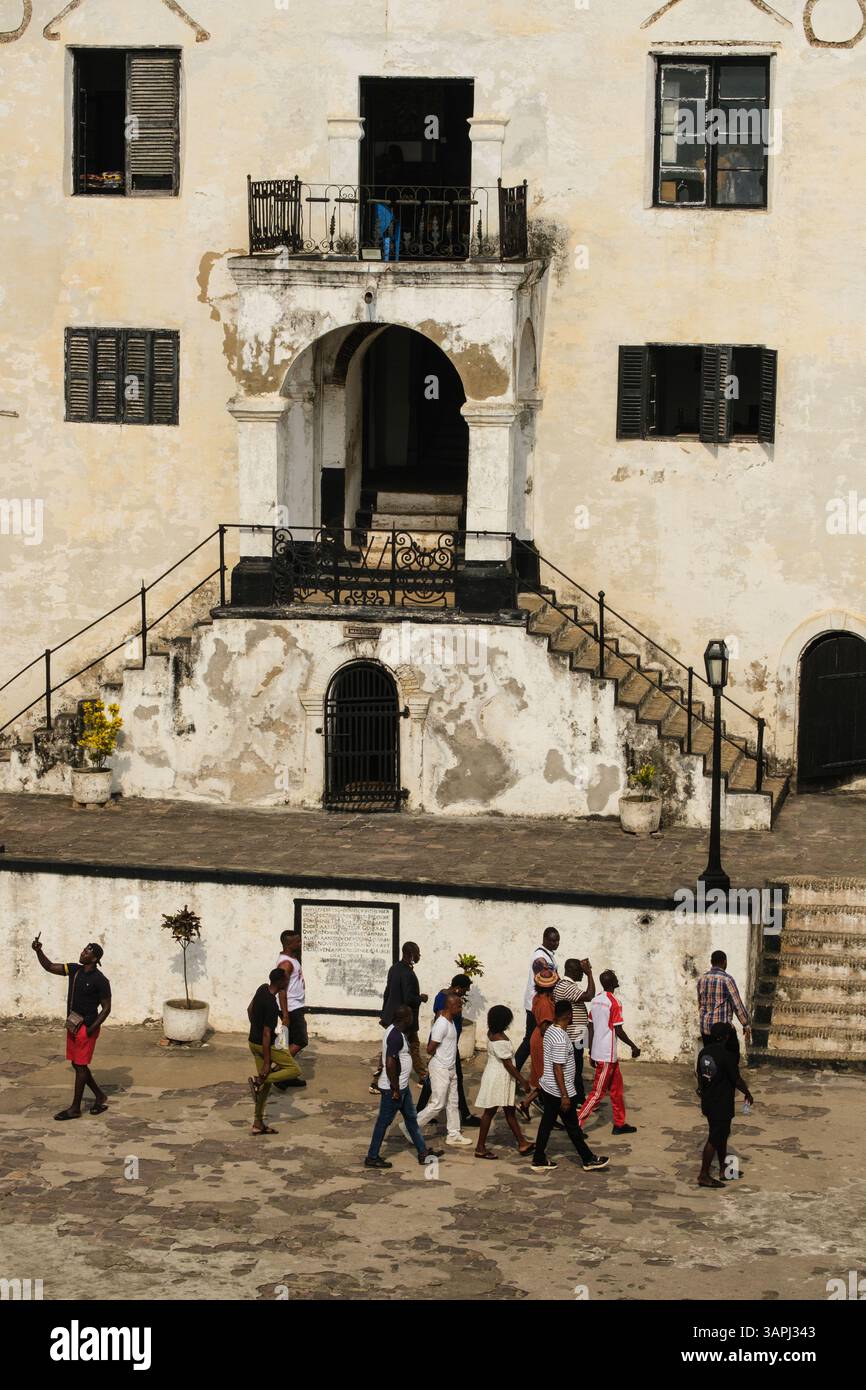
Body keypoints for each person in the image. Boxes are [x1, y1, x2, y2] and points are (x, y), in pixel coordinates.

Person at [31, 936, 112, 1122]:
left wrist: (91, 1029)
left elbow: (107, 1008)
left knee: (81, 1065)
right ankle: (100, 1096)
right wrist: (38, 951)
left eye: (87, 952)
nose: (82, 952)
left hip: (86, 1027)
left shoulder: (100, 980)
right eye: (84, 949)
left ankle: (75, 1108)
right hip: (72, 1024)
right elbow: (50, 966)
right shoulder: (74, 970)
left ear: (94, 958)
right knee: (77, 1064)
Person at [530, 1000, 609, 1173]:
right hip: (559, 1090)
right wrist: (565, 1095)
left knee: (548, 1124)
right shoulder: (559, 1037)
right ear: (568, 1015)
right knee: (572, 1127)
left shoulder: (551, 1030)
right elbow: (558, 1067)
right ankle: (587, 1159)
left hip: (550, 1087)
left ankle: (538, 1158)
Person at [364, 1006, 444, 1170]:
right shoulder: (395, 1036)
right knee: (383, 1123)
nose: (413, 1019)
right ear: (406, 1018)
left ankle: (423, 1153)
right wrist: (394, 1089)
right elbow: (390, 1063)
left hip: (402, 1088)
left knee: (411, 1121)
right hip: (394, 1089)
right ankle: (372, 1157)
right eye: (411, 1016)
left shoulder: (395, 1031)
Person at [578, 969, 640, 1135]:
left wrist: (590, 1050)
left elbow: (590, 1026)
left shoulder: (596, 1000)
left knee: (617, 1090)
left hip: (601, 1053)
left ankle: (619, 1123)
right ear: (613, 983)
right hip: (606, 1055)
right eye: (615, 977)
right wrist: (633, 1046)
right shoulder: (614, 1002)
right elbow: (618, 1030)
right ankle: (576, 1125)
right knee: (597, 1093)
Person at [416, 973, 480, 1128]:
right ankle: (464, 1115)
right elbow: (440, 1021)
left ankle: (420, 1109)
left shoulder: (451, 997)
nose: (466, 992)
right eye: (465, 989)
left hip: (449, 1045)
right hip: (444, 1046)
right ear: (458, 988)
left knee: (434, 1082)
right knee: (455, 1080)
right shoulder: (444, 998)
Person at [696, 1021, 754, 1188]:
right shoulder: (726, 1055)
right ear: (726, 1037)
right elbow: (736, 1079)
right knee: (715, 1137)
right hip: (721, 1102)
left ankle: (724, 1169)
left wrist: (701, 1089)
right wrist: (747, 1093)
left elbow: (699, 1075)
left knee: (721, 1134)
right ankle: (704, 1175)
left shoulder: (704, 1052)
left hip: (708, 1100)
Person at [473, 1006, 533, 1159]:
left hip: (494, 1074)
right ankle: (480, 1147)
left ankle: (522, 1142)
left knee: (509, 1111)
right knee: (490, 1112)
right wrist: (522, 1081)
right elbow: (508, 1065)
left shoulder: (491, 1034)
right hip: (500, 1077)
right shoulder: (501, 1040)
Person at [247, 968, 302, 1136]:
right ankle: (258, 1081)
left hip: (252, 1042)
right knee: (294, 1070)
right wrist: (266, 1064)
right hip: (266, 1045)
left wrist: (254, 1026)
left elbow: (249, 1009)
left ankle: (257, 1123)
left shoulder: (262, 988)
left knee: (266, 1086)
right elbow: (266, 1033)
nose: (288, 982)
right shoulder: (271, 1004)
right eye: (286, 980)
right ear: (280, 982)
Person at [414, 991, 472, 1146]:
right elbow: (430, 1048)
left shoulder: (451, 1021)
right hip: (440, 1068)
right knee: (438, 1103)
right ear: (449, 1006)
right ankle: (411, 1127)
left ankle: (453, 1134)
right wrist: (439, 1062)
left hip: (451, 1068)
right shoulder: (441, 1024)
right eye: (458, 1006)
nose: (460, 1009)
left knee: (453, 1102)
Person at [373, 942, 428, 1089]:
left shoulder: (394, 968)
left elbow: (387, 992)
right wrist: (421, 998)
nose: (419, 956)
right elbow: (408, 998)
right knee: (414, 1046)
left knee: (391, 1048)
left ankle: (376, 1081)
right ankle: (423, 1077)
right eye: (417, 953)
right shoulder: (407, 973)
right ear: (410, 955)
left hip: (393, 1016)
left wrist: (384, 1013)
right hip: (405, 1019)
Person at [515, 927, 560, 1071]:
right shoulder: (539, 957)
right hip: (537, 1004)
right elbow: (544, 978)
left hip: (542, 1001)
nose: (556, 943)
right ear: (545, 939)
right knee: (530, 1041)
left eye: (557, 940)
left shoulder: (548, 954)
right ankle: (514, 1072)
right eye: (553, 940)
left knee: (534, 1040)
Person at [553, 958, 594, 1103]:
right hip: (574, 1035)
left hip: (576, 1033)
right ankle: (578, 1100)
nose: (582, 975)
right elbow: (589, 995)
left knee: (575, 1068)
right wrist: (589, 974)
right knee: (575, 1069)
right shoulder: (567, 986)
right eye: (581, 972)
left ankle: (578, 1098)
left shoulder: (565, 985)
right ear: (573, 971)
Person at [697, 951, 751, 1059]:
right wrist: (745, 1024)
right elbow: (737, 1005)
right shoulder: (727, 980)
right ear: (724, 962)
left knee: (711, 1057)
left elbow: (700, 1002)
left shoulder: (702, 979)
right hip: (721, 1030)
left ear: (711, 962)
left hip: (705, 1028)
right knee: (732, 1055)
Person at [272, 930, 308, 1091]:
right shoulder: (286, 964)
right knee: (301, 1041)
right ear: (288, 944)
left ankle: (288, 1076)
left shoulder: (291, 959)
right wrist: (285, 1015)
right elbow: (281, 990)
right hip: (291, 1008)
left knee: (290, 1041)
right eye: (297, 942)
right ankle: (278, 1071)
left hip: (296, 1005)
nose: (300, 944)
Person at [528, 966, 558, 1096]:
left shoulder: (538, 997)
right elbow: (545, 1028)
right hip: (542, 1040)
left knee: (544, 1074)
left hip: (537, 1036)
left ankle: (527, 1103)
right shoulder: (545, 1003)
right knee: (546, 1075)